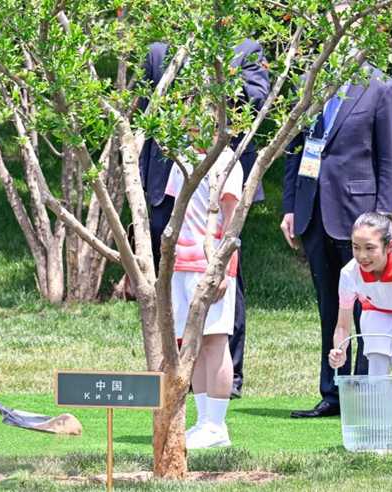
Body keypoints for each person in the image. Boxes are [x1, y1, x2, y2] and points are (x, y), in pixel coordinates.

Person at [139, 40, 269, 398]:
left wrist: (220, 73)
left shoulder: (243, 48)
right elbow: (144, 120)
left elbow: (257, 103)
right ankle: (180, 380)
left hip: (215, 182)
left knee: (220, 302)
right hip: (169, 177)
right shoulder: (159, 51)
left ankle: (229, 382)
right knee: (174, 295)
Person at [282, 66, 392, 419]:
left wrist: (383, 222)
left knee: (367, 309)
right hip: (314, 212)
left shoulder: (382, 87)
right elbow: (296, 149)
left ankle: (366, 391)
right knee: (329, 307)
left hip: (360, 217)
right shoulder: (311, 79)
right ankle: (333, 392)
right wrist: (291, 205)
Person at [329, 212, 392, 453]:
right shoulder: (349, 273)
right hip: (374, 311)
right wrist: (338, 350)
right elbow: (343, 325)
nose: (362, 256)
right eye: (356, 247)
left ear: (389, 246)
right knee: (377, 368)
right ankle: (380, 433)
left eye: (370, 248)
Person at [167, 143, 243, 449]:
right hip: (181, 263)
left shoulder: (227, 161)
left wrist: (223, 267)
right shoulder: (181, 155)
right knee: (191, 342)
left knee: (215, 340)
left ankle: (217, 425)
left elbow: (232, 221)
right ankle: (202, 422)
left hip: (210, 263)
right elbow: (178, 209)